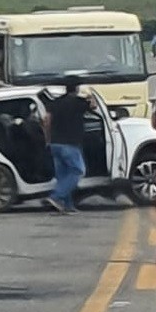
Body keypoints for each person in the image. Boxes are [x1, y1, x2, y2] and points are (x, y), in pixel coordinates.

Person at [44, 77, 97, 214]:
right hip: (71, 143)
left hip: (55, 143)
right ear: (77, 89)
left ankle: (67, 206)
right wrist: (91, 95)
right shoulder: (79, 102)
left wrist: (48, 139)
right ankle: (56, 197)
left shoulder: (55, 103)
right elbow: (94, 106)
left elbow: (47, 121)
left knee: (63, 176)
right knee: (78, 171)